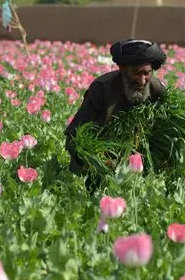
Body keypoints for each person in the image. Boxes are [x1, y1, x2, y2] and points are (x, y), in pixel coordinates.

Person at [64, 38, 168, 190]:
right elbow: (75, 135)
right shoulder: (102, 89)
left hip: (137, 161)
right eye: (136, 73)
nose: (142, 80)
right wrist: (95, 160)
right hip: (100, 162)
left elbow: (172, 124)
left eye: (147, 73)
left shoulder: (157, 89)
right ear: (122, 68)